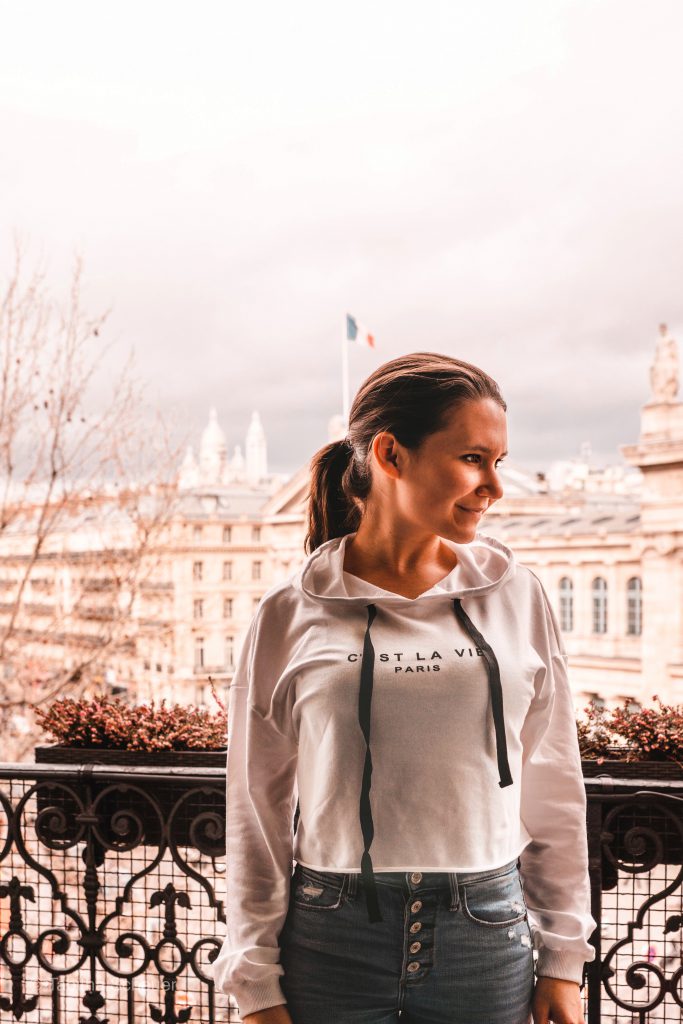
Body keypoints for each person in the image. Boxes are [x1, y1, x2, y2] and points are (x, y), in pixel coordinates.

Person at [210, 353, 597, 1024]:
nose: (493, 488)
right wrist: (253, 983)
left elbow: (553, 782)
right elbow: (256, 808)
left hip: (484, 934)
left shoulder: (516, 595)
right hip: (328, 939)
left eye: (497, 463)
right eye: (472, 459)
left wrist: (564, 956)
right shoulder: (287, 611)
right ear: (390, 454)